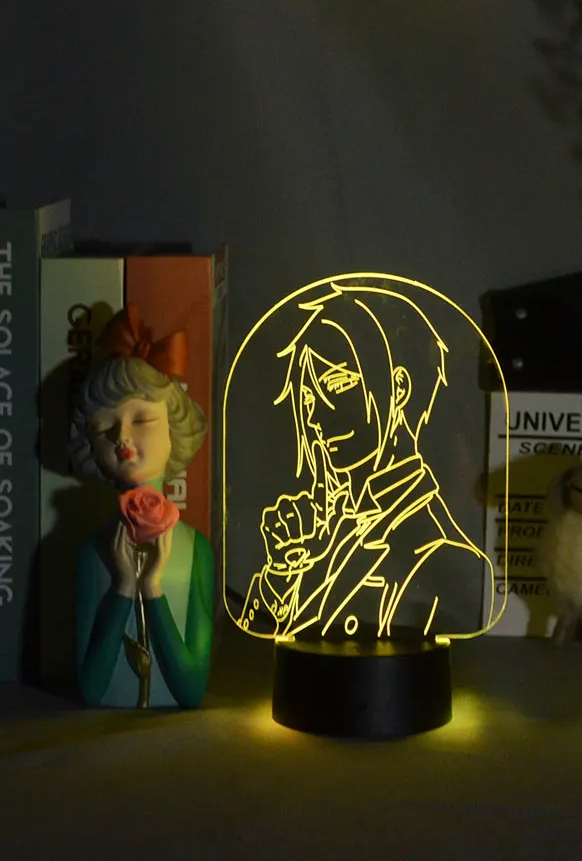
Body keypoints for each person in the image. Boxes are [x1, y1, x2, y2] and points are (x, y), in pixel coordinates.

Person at [238, 281, 494, 639]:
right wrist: (282, 571)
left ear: (398, 388)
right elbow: (253, 646)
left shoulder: (439, 555)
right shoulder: (329, 532)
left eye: (338, 385)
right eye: (309, 400)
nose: (317, 419)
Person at [69, 305, 212, 708]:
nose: (122, 436)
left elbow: (192, 690)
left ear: (174, 430)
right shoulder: (91, 554)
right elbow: (90, 689)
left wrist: (153, 590)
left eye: (142, 420)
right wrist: (123, 587)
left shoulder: (196, 551)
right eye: (104, 426)